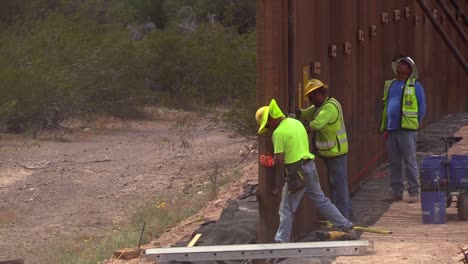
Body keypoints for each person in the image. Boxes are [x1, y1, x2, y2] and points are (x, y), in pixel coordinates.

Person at [256, 98, 356, 243]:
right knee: (321, 200)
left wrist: (269, 161)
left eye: (267, 123)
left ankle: (280, 243)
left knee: (286, 209)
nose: (269, 127)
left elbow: (279, 160)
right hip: (309, 166)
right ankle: (346, 226)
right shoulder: (295, 123)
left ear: (271, 117)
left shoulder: (278, 133)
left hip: (296, 172)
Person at [295, 79, 351, 219]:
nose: (311, 100)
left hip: (336, 153)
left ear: (319, 93)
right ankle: (344, 216)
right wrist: (295, 114)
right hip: (329, 153)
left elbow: (316, 124)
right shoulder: (319, 107)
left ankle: (343, 219)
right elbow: (305, 113)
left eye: (311, 97)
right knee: (336, 186)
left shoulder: (329, 107)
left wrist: (299, 125)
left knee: (339, 188)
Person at [380, 56, 426, 204]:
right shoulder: (391, 85)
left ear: (409, 69)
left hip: (407, 129)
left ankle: (414, 192)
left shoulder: (415, 86)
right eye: (399, 64)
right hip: (392, 129)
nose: (399, 66)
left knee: (410, 161)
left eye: (403, 64)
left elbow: (421, 106)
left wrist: (417, 122)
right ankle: (396, 192)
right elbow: (386, 105)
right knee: (394, 162)